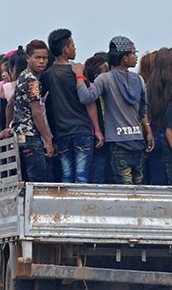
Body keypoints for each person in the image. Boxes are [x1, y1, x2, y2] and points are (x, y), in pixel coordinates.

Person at [74, 37, 154, 184]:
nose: (136, 56)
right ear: (125, 58)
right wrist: (148, 132)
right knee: (139, 186)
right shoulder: (140, 80)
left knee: (124, 187)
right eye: (133, 53)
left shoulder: (105, 79)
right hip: (137, 139)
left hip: (117, 141)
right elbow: (143, 110)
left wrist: (79, 75)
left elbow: (86, 97)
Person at [41, 28, 103, 183]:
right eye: (73, 45)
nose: (75, 48)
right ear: (65, 50)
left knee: (66, 176)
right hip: (82, 131)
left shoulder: (47, 75)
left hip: (62, 133)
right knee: (82, 176)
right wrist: (97, 130)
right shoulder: (77, 72)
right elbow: (89, 102)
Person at [10, 42, 55, 182]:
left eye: (45, 58)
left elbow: (10, 105)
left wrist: (8, 127)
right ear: (28, 58)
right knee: (40, 181)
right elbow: (36, 112)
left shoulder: (22, 76)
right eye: (37, 57)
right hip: (30, 136)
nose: (42, 61)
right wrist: (48, 140)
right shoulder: (33, 81)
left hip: (19, 135)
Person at [144, 47, 172, 185]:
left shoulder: (148, 86)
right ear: (170, 65)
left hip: (154, 136)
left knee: (156, 179)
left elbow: (144, 112)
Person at [83, 52, 110, 183]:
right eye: (107, 72)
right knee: (97, 173)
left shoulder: (109, 93)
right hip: (96, 139)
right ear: (97, 77)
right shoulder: (90, 94)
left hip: (109, 138)